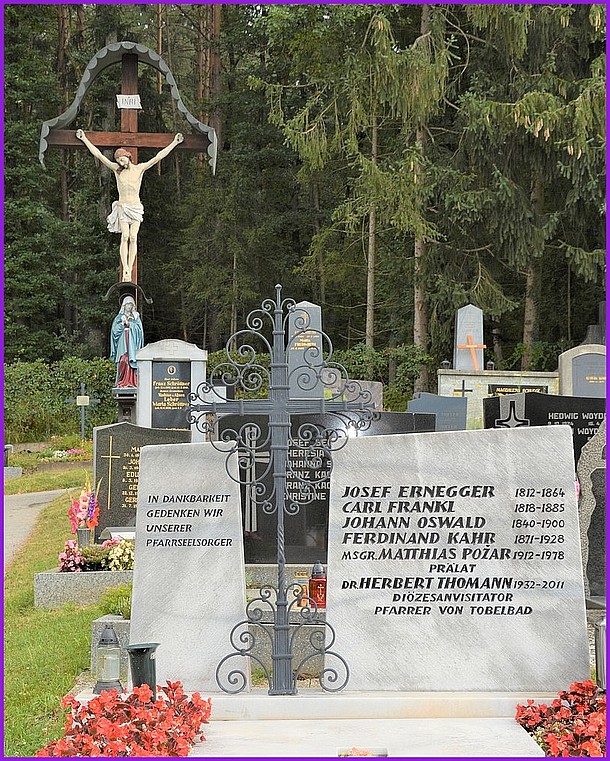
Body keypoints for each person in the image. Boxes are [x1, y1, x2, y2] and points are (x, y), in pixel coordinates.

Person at [75, 129, 184, 281]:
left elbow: (158, 157)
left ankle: (130, 267)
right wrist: (84, 139)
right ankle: (125, 269)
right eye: (119, 161)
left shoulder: (139, 169)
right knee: (125, 236)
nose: (121, 162)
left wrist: (174, 143)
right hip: (123, 207)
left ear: (128, 156)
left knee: (133, 237)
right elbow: (99, 155)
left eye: (122, 159)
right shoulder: (117, 170)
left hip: (136, 208)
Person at [110, 295, 144, 388]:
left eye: (131, 304)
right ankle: (121, 381)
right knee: (123, 360)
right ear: (124, 305)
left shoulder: (136, 317)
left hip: (132, 342)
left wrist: (130, 324)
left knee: (131, 359)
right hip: (123, 342)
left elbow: (139, 330)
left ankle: (132, 381)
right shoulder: (119, 317)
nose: (129, 306)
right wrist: (122, 324)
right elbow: (114, 331)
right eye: (127, 304)